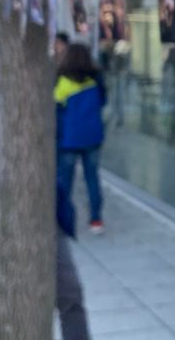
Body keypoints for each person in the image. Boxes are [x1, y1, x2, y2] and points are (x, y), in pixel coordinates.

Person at [0, 72, 90, 340]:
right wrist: (11, 178)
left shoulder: (48, 114)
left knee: (70, 294)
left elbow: (53, 168)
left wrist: (64, 209)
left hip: (46, 219)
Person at [54, 43, 107, 234]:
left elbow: (56, 110)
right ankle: (96, 220)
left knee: (65, 181)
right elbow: (103, 102)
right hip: (93, 136)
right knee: (92, 178)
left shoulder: (60, 80)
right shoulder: (96, 79)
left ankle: (63, 220)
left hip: (68, 138)